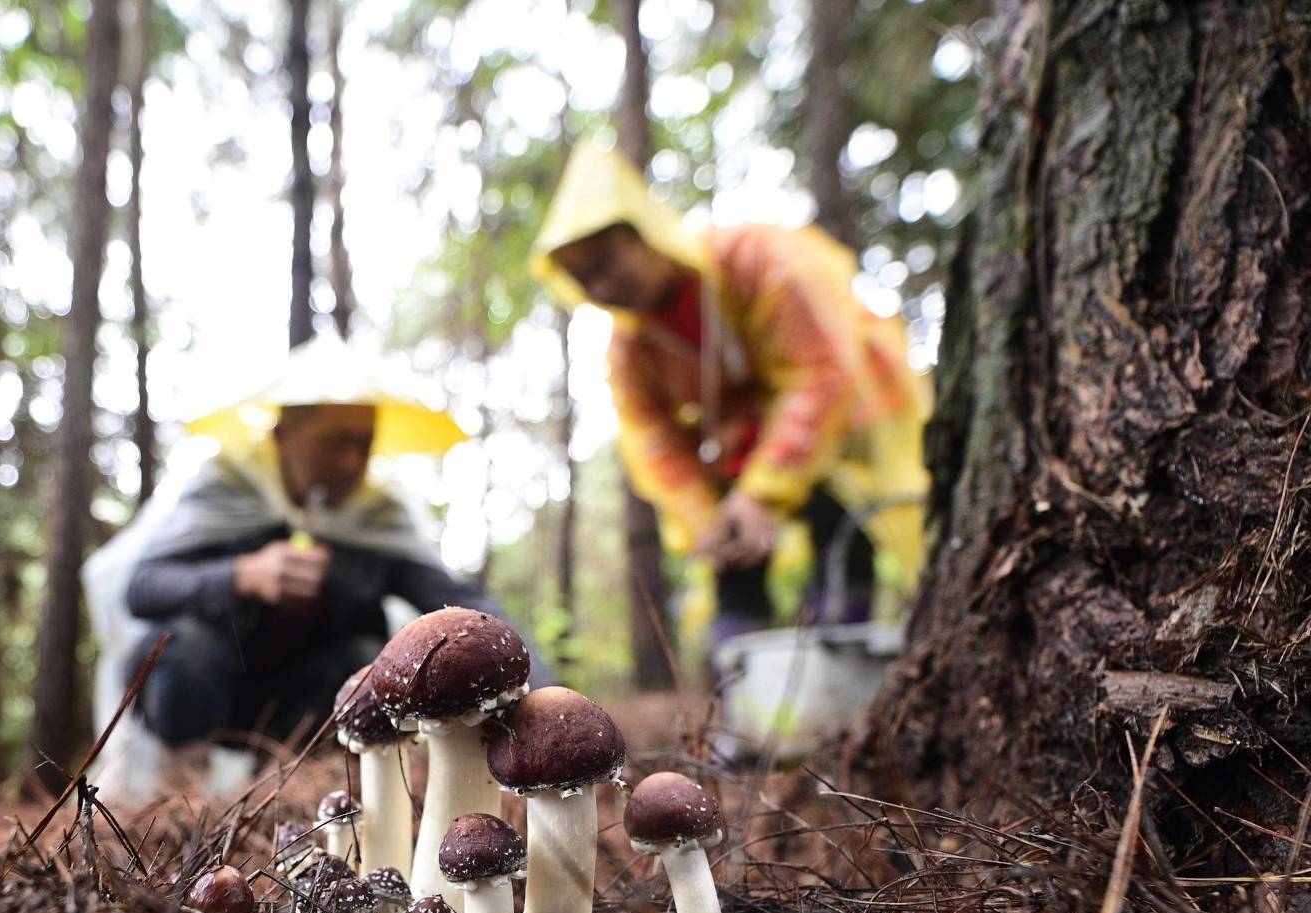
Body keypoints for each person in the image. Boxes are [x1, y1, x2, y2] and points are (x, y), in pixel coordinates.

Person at [82, 333, 549, 801]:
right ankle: (179, 803)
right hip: (209, 686)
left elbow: (459, 601)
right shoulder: (228, 488)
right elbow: (143, 586)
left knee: (367, 662)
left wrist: (543, 696)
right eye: (334, 441)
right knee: (184, 650)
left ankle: (310, 796)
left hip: (309, 696)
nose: (350, 461)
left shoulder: (376, 517)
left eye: (363, 444)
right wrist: (242, 574)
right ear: (282, 434)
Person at [530, 138, 930, 649]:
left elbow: (822, 374)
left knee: (839, 517)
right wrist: (707, 520)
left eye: (606, 263)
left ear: (643, 236)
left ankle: (843, 671)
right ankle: (741, 694)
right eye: (583, 280)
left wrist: (764, 493)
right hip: (747, 454)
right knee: (731, 550)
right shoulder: (631, 348)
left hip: (851, 420)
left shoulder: (754, 261)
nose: (602, 288)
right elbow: (654, 442)